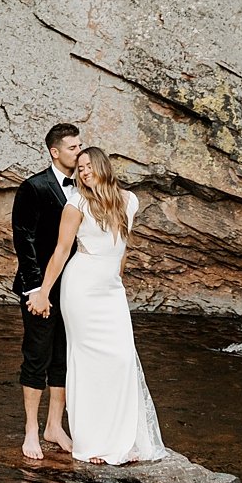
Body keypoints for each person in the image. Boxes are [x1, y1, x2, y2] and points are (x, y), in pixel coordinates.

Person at [30, 146, 168, 465]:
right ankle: (93, 444)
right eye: (80, 168)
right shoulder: (76, 202)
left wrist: (116, 283)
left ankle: (123, 440)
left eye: (89, 165)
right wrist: (44, 293)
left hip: (110, 290)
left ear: (104, 165)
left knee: (121, 360)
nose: (85, 171)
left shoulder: (129, 201)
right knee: (88, 362)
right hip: (81, 287)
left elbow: (122, 249)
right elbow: (61, 251)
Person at [12, 123, 81, 461]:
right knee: (36, 355)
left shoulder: (87, 185)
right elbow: (22, 240)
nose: (78, 152)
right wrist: (36, 290)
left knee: (63, 357)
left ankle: (54, 426)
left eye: (80, 146)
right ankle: (30, 431)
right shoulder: (33, 187)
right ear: (55, 151)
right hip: (39, 288)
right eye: (72, 148)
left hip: (75, 288)